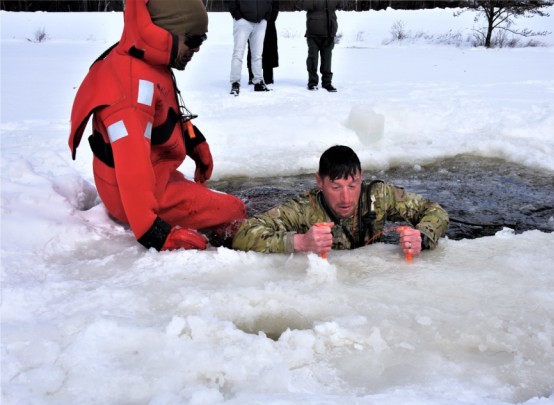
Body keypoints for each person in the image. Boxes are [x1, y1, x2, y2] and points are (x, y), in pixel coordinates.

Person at [68, 0, 246, 251]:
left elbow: (164, 115)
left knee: (215, 199)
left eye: (202, 40)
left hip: (153, 173)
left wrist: (194, 140)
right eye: (193, 40)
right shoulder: (130, 89)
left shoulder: (146, 60)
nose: (196, 49)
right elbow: (132, 163)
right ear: (164, 34)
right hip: (132, 193)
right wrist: (153, 232)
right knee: (234, 209)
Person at [232, 145, 449, 258]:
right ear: (320, 182)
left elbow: (435, 211)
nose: (346, 198)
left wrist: (421, 237)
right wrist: (299, 242)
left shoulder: (379, 196)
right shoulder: (303, 209)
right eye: (336, 187)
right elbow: (242, 234)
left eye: (352, 185)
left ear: (361, 177)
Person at [224, 0, 274, 95]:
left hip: (260, 22)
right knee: (238, 53)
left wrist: (267, 15)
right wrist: (237, 15)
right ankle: (235, 83)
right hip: (243, 21)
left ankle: (258, 82)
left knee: (258, 54)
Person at [295, 0, 342, 92]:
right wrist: (314, 3)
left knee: (327, 60)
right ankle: (312, 82)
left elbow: (342, 4)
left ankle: (327, 83)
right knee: (313, 59)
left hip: (329, 33)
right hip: (313, 33)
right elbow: (299, 4)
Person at [247, 0, 279, 85]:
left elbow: (275, 4)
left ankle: (268, 78)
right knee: (253, 49)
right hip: (252, 21)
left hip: (268, 23)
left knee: (269, 50)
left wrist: (270, 18)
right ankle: (252, 76)